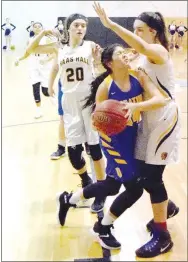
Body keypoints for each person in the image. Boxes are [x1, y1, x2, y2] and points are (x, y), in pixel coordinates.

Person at [56, 43, 170, 247]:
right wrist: (110, 121)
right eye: (120, 54)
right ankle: (103, 227)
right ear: (109, 63)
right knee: (134, 189)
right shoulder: (106, 87)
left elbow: (160, 98)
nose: (125, 56)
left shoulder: (137, 76)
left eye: (125, 52)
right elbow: (97, 120)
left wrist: (136, 106)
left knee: (111, 186)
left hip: (133, 137)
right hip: (114, 141)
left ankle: (69, 199)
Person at [93, 2, 180, 257]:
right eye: (134, 29)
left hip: (163, 119)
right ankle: (167, 207)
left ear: (153, 31)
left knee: (152, 179)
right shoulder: (142, 56)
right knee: (143, 175)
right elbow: (125, 67)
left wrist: (110, 25)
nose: (136, 34)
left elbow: (142, 47)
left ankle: (162, 234)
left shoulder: (158, 50)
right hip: (146, 119)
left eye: (140, 29)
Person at [24, 13, 106, 212]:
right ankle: (85, 179)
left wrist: (97, 61)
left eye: (83, 25)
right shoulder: (59, 48)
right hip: (69, 104)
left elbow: (104, 66)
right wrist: (43, 31)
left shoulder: (91, 46)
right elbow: (30, 50)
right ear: (68, 28)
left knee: (94, 149)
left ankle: (101, 191)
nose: (80, 28)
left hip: (88, 102)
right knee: (73, 152)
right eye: (76, 25)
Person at [15, 22, 55, 118]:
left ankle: (54, 99)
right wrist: (19, 59)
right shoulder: (30, 40)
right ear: (32, 29)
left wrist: (46, 59)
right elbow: (27, 53)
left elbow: (54, 53)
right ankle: (39, 111)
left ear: (42, 28)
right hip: (33, 66)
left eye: (39, 26)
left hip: (45, 67)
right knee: (35, 88)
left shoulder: (47, 39)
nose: (37, 28)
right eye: (35, 27)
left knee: (45, 92)